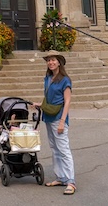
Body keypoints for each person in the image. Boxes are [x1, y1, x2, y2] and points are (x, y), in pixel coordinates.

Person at [35, 51, 76, 195]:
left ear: (59, 62)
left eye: (53, 60)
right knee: (54, 148)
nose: (50, 62)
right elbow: (50, 98)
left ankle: (71, 181)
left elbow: (67, 101)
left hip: (59, 118)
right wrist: (40, 104)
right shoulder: (48, 78)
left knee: (63, 149)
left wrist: (62, 122)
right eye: (48, 60)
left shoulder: (65, 80)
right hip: (48, 116)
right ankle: (61, 177)